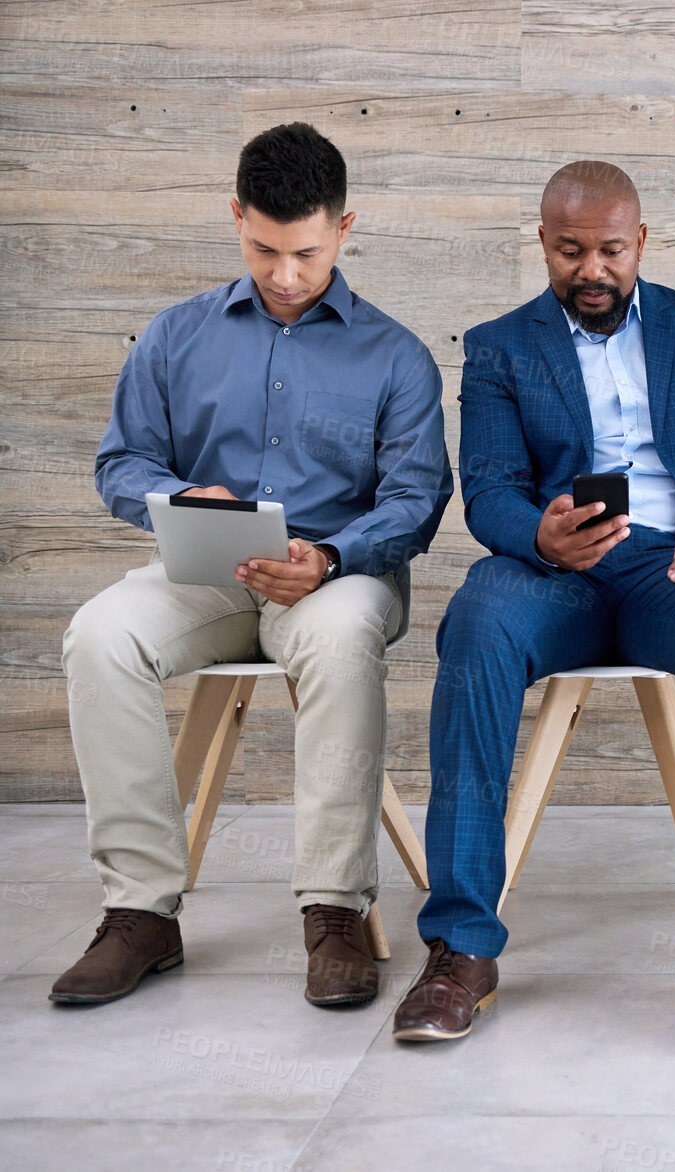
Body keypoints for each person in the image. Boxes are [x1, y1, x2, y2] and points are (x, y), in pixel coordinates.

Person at [53, 123, 453, 1008]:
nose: (284, 274)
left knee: (343, 636)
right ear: (236, 218)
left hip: (338, 580)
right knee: (100, 637)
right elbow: (121, 464)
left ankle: (333, 912)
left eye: (305, 252)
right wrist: (177, 499)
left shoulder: (395, 356)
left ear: (345, 230)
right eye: (263, 249)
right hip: (207, 575)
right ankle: (140, 914)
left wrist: (332, 556)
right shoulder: (174, 335)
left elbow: (417, 500)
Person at [394, 161, 675, 1044]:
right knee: (477, 620)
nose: (592, 270)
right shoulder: (498, 345)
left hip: (674, 567)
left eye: (610, 249)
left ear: (640, 242)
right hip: (550, 568)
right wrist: (538, 536)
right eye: (570, 250)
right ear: (542, 243)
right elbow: (489, 485)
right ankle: (461, 947)